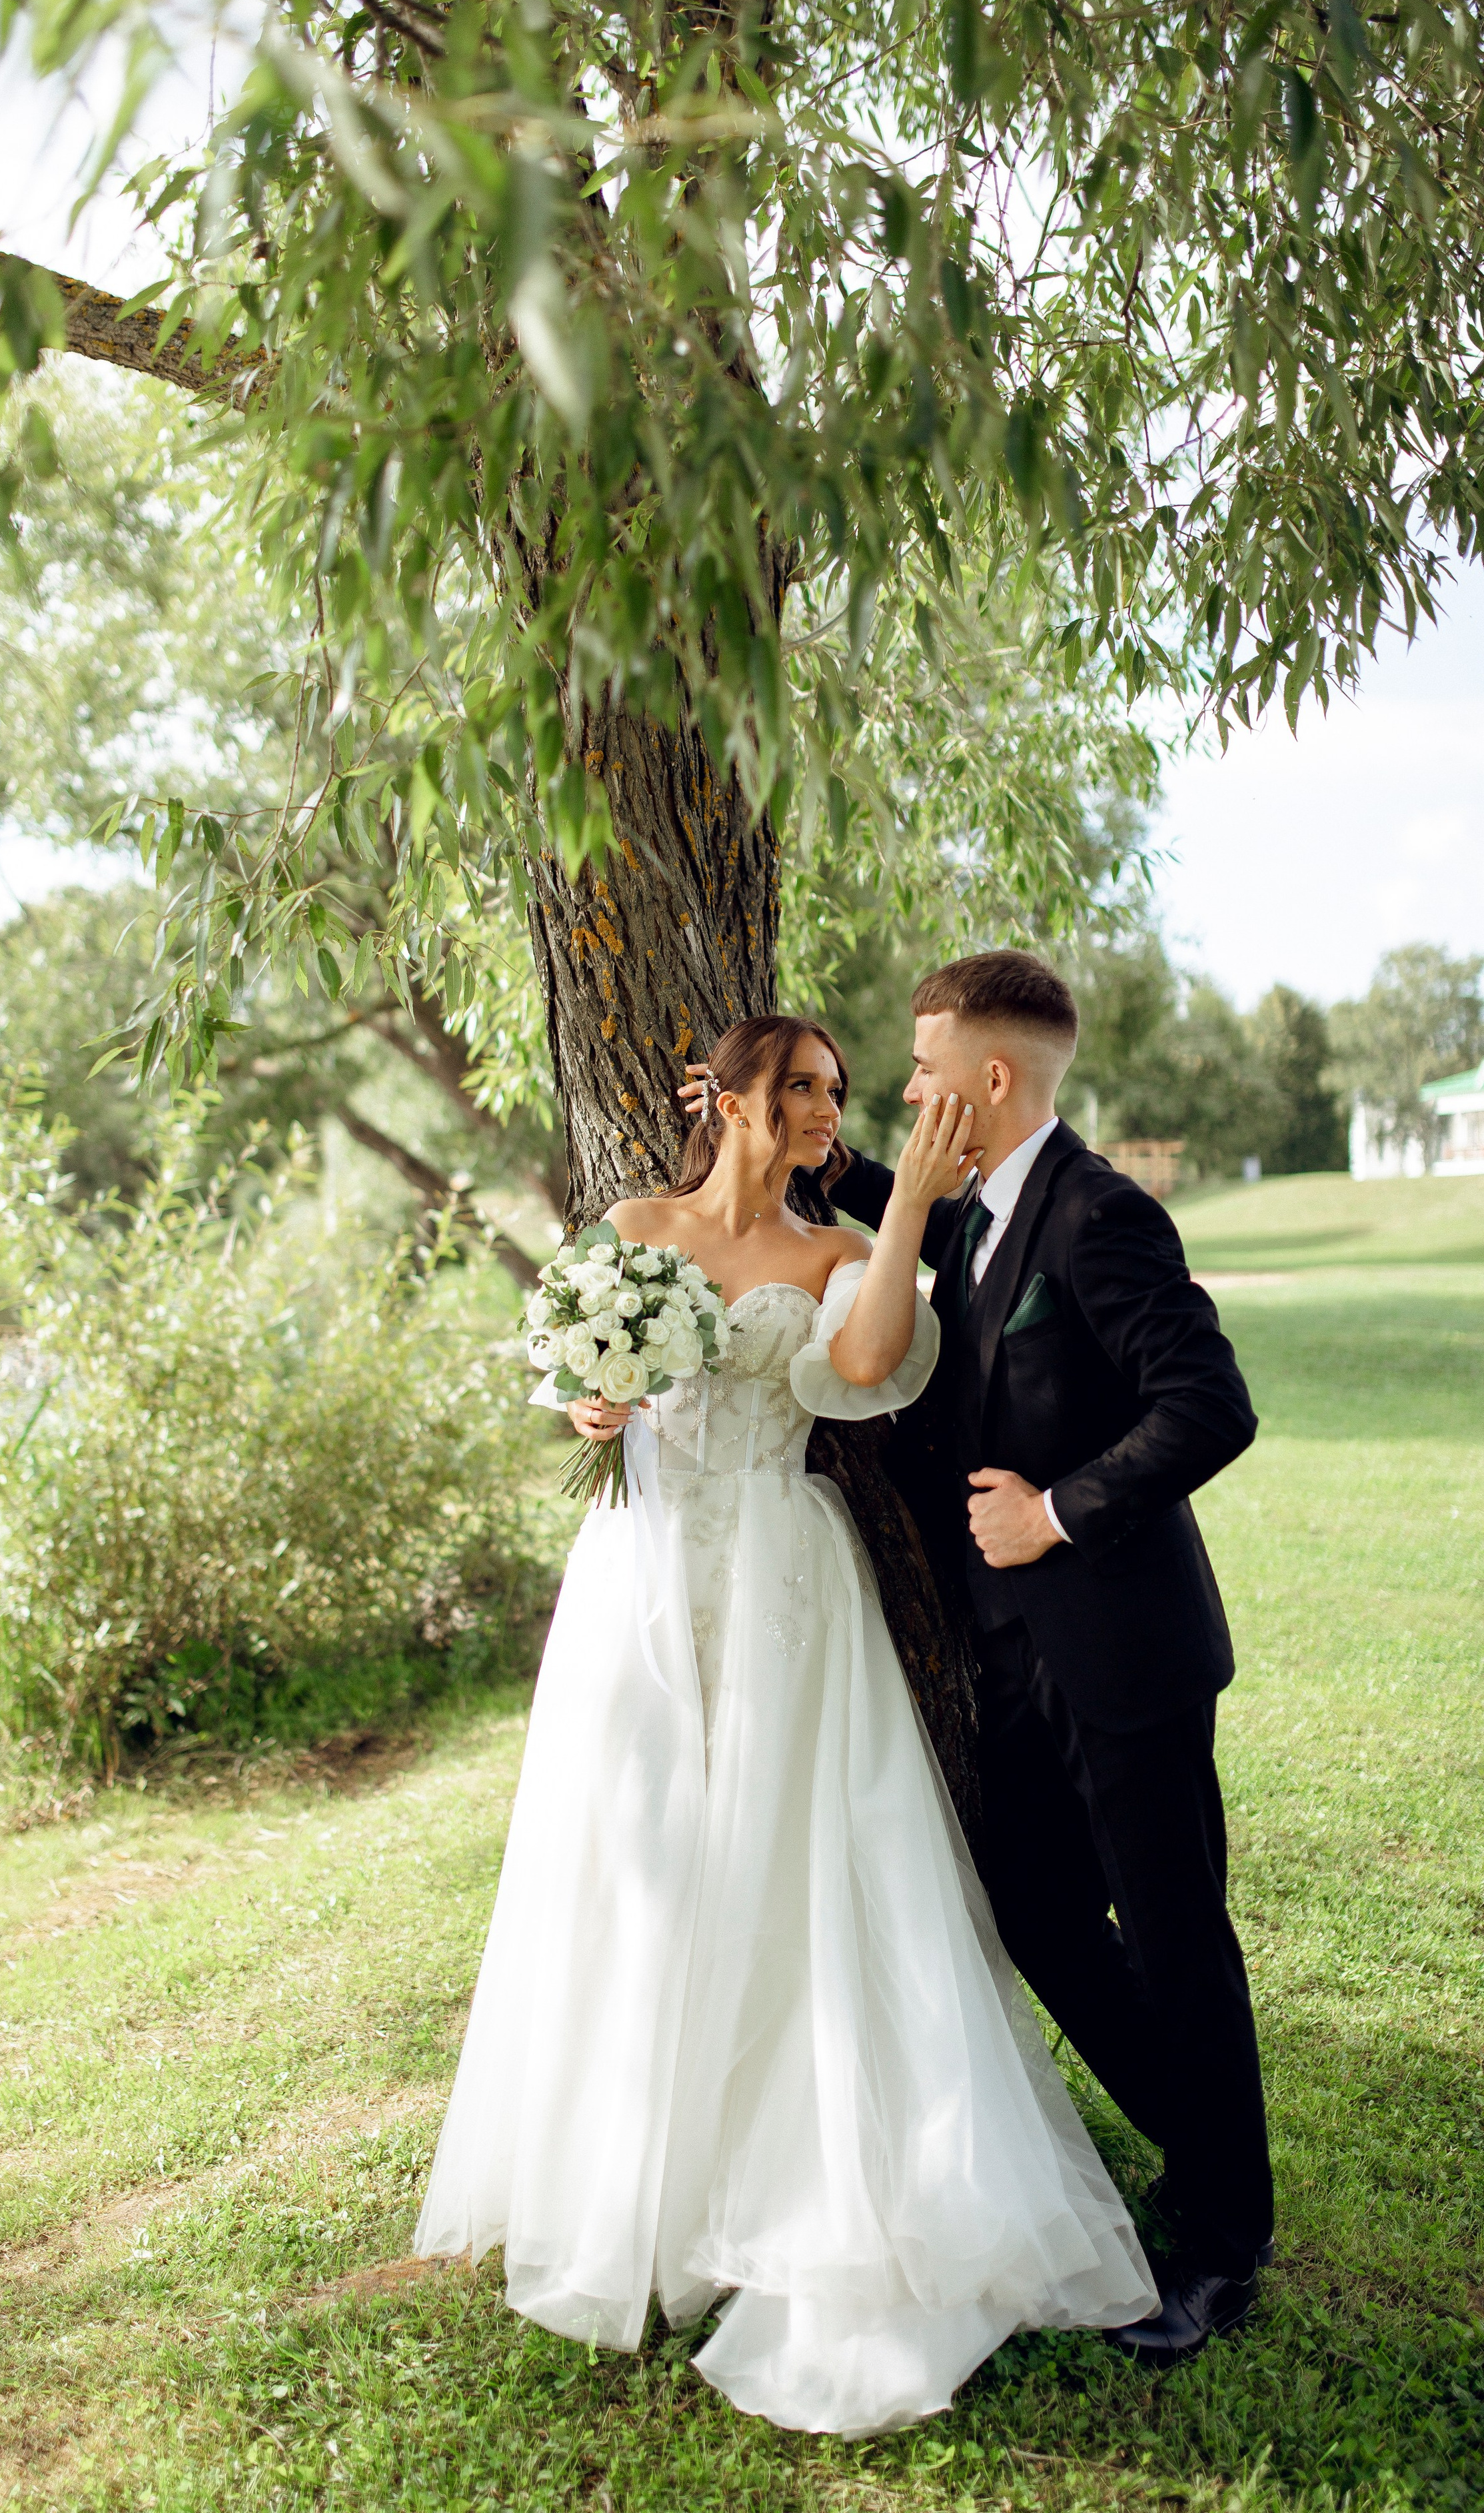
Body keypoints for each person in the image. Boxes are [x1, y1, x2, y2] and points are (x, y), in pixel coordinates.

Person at [415, 1013, 1156, 2437]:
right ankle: (634, 2190)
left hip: (778, 1576)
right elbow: (572, 1368)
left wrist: (907, 1220)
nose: (829, 1109)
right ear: (730, 1097)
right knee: (635, 1870)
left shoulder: (832, 1252)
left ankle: (782, 2187)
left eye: (835, 1089)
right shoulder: (630, 1227)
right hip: (638, 1585)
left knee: (781, 1870)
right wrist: (587, 1401)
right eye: (804, 1087)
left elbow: (868, 1367)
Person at [786, 950, 1271, 2361]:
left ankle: (1222, 2242)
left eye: (923, 1069)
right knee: (1035, 1911)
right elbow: (900, 1214)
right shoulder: (968, 1210)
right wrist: (796, 1126)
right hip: (1008, 1660)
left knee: (1176, 1939)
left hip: (1123, 1652)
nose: (907, 1090)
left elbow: (1209, 1405)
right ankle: (1194, 2134)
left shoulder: (1099, 1218)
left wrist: (1058, 1512)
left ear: (989, 1082)